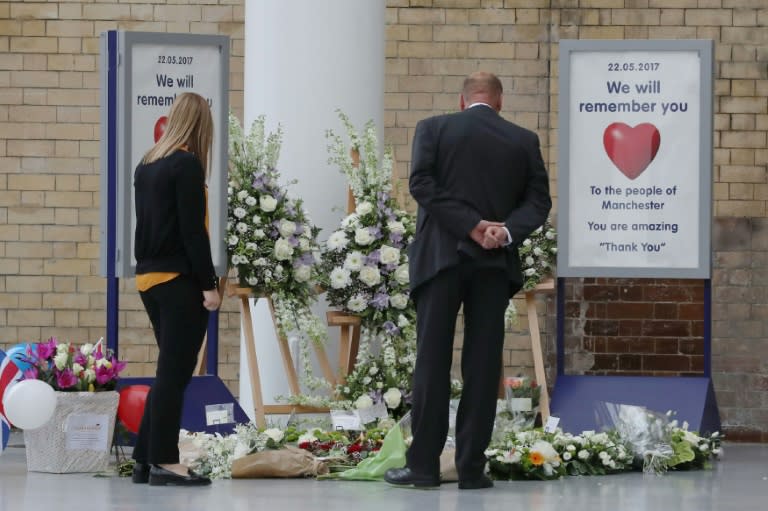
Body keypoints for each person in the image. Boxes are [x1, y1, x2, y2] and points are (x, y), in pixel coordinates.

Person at [384, 72, 552, 490]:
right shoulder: (523, 140)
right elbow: (539, 201)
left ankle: (423, 467)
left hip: (442, 258)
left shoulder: (433, 128)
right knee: (482, 364)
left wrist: (468, 224)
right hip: (493, 265)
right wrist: (503, 230)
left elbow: (421, 183)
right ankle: (472, 469)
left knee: (432, 360)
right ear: (499, 103)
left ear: (462, 101)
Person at [131, 92, 221, 487]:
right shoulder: (186, 165)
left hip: (148, 279)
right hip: (178, 282)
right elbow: (192, 233)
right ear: (201, 126)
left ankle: (142, 460)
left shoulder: (147, 164)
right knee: (175, 374)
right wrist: (210, 285)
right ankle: (165, 462)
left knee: (167, 371)